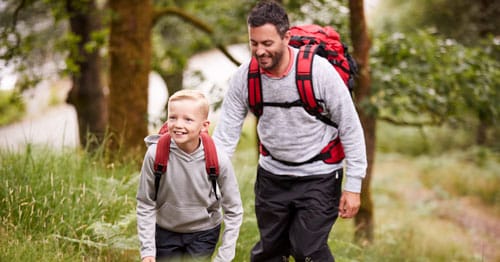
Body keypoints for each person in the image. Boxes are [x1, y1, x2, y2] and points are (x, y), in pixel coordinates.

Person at [212, 1, 367, 261]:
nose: (260, 51)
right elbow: (225, 135)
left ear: (286, 37)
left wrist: (353, 186)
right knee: (269, 252)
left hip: (319, 176)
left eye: (267, 43)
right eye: (254, 43)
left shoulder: (319, 73)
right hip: (272, 176)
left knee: (307, 250)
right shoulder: (245, 77)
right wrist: (210, 181)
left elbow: (350, 128)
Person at [136, 89, 244, 262]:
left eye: (188, 119)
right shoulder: (155, 155)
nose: (178, 124)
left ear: (204, 125)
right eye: (173, 117)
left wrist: (224, 256)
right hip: (165, 231)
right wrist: (148, 250)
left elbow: (234, 210)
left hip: (204, 232)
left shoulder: (218, 158)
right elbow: (146, 203)